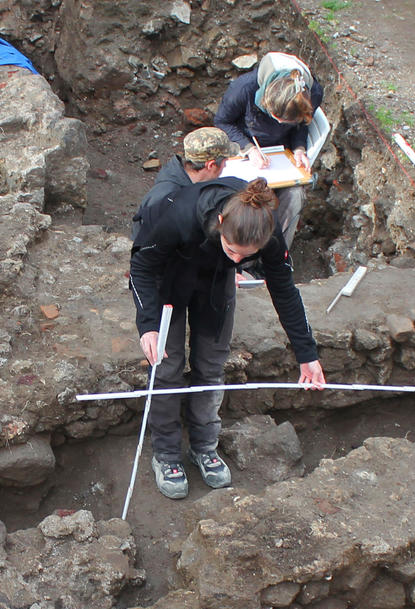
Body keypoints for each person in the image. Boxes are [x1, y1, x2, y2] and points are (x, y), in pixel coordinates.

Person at [128, 128, 326, 501]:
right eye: (231, 250)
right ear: (220, 224)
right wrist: (148, 326)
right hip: (169, 285)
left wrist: (307, 354)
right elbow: (141, 267)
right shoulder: (178, 211)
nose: (238, 259)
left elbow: (284, 290)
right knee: (166, 368)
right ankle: (167, 453)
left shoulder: (265, 234)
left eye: (245, 256)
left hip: (215, 287)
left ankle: (204, 446)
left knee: (212, 366)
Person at [214, 51, 326, 257]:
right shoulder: (244, 89)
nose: (280, 124)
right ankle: (236, 252)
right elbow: (222, 122)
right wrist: (249, 149)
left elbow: (302, 125)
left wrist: (300, 148)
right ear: (264, 98)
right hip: (242, 148)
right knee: (238, 193)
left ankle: (274, 254)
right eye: (275, 117)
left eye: (286, 122)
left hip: (280, 157)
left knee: (295, 195)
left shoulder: (312, 94)